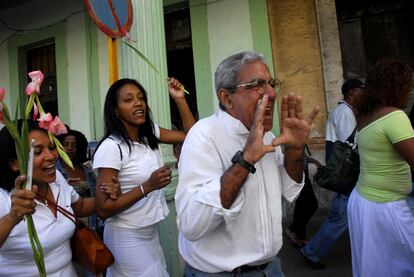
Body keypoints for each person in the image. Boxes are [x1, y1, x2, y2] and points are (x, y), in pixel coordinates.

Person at [175, 51, 319, 276]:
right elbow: (193, 225)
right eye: (257, 85)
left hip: (271, 269)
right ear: (227, 98)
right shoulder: (203, 136)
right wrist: (245, 159)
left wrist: (295, 150)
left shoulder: (267, 136)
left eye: (271, 84)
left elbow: (288, 190)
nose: (271, 93)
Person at [93, 77, 196, 277]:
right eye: (128, 99)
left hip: (149, 232)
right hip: (126, 236)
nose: (138, 103)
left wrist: (180, 99)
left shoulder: (149, 134)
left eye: (141, 98)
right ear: (116, 110)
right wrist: (148, 186)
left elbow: (193, 136)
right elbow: (103, 210)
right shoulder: (111, 148)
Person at [0, 120, 119, 276]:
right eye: (37, 151)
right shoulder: (4, 199)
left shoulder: (57, 180)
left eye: (51, 147)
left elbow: (80, 206)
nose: (51, 156)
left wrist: (108, 195)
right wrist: (12, 217)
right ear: (14, 163)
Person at [348, 60, 414, 276]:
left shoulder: (366, 116)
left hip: (364, 201)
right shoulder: (395, 116)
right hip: (384, 207)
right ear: (395, 86)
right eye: (407, 85)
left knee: (376, 268)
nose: (410, 91)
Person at [300, 78, 364, 269]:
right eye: (362, 89)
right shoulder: (345, 112)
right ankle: (312, 252)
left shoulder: (344, 111)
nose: (365, 92)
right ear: (352, 92)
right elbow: (349, 146)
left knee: (346, 215)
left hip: (342, 172)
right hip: (345, 174)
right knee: (340, 217)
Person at [56, 128, 103, 276]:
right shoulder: (55, 171)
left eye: (74, 145)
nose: (70, 148)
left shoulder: (86, 170)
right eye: (66, 144)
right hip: (67, 229)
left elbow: (96, 195)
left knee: (92, 269)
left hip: (89, 228)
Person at [285, 145, 321, 247]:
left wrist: (314, 161)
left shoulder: (299, 137)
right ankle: (292, 229)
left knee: (301, 206)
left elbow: (302, 157)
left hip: (302, 175)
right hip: (299, 176)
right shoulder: (294, 138)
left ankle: (299, 236)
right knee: (312, 205)